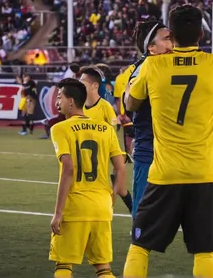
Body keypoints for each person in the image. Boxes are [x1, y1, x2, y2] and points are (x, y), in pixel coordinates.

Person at [123, 5, 213, 278]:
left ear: (173, 36)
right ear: (201, 35)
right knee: (205, 251)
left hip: (164, 174)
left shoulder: (152, 65)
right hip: (204, 173)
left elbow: (131, 103)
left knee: (139, 246)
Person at [49, 78, 126, 278]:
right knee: (103, 268)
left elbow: (68, 168)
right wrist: (113, 196)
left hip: (75, 206)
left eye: (60, 97)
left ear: (72, 102)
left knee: (63, 265)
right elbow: (120, 168)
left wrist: (58, 213)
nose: (57, 102)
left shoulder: (60, 128)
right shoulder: (106, 130)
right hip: (102, 206)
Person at [128, 20, 172, 218]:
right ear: (151, 48)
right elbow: (130, 104)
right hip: (150, 151)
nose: (173, 44)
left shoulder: (175, 66)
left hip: (176, 151)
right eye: (167, 39)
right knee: (143, 217)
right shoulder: (141, 69)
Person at [80, 65, 133, 213]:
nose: (80, 86)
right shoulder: (79, 106)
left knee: (120, 189)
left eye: (83, 83)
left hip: (105, 152)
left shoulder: (105, 106)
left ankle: (138, 218)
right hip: (85, 154)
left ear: (95, 85)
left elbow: (112, 128)